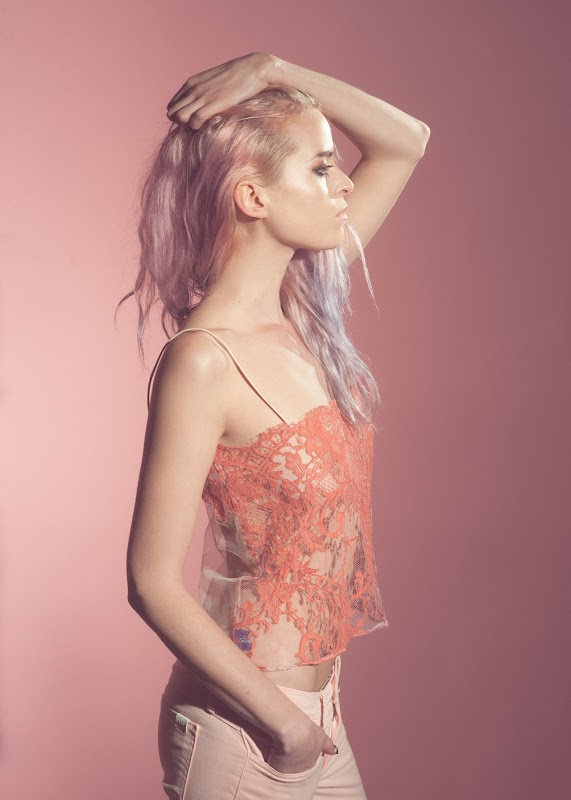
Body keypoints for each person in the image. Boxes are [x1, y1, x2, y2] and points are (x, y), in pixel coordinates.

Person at [120, 51, 430, 799]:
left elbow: (406, 141)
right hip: (246, 731)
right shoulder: (202, 362)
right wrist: (282, 725)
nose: (344, 183)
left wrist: (271, 68)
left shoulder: (302, 311)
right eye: (321, 168)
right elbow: (151, 581)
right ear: (253, 196)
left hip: (323, 721)